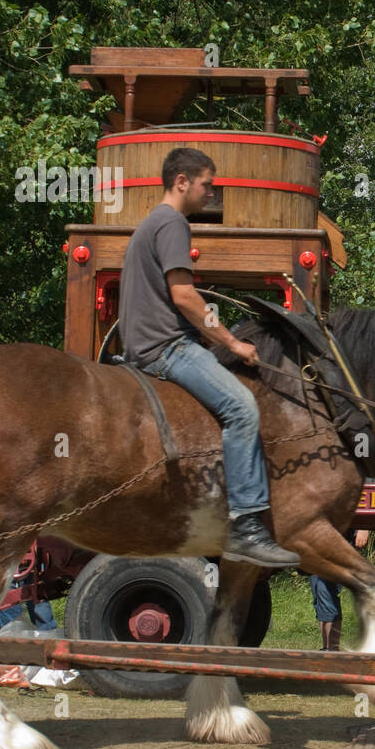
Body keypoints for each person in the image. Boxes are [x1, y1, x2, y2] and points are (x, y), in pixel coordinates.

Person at [118, 148, 301, 568]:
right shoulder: (173, 223)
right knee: (242, 408)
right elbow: (184, 296)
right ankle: (247, 525)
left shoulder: (150, 222)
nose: (211, 193)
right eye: (207, 184)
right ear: (181, 181)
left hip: (143, 345)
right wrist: (232, 343)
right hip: (165, 347)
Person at [309, 530, 369, 650]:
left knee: (325, 590)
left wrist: (363, 529)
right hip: (317, 540)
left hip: (340, 539)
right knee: (318, 591)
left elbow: (359, 510)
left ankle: (332, 648)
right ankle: (326, 647)